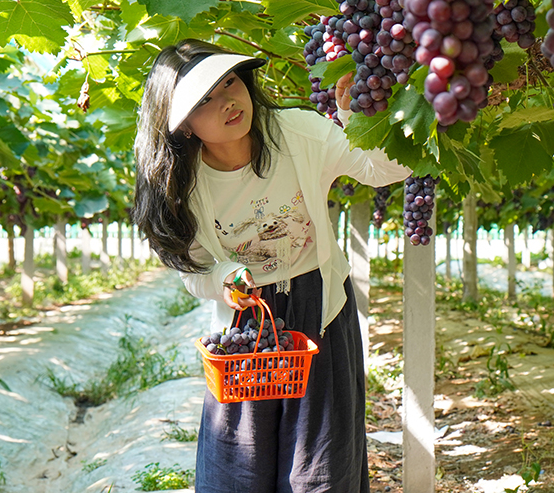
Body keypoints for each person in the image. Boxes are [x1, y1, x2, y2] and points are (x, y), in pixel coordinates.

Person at [132, 39, 412, 493]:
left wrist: (356, 115)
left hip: (319, 314)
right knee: (238, 473)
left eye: (228, 82)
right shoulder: (183, 184)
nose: (227, 101)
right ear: (182, 126)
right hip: (246, 332)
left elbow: (385, 171)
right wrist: (224, 281)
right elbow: (194, 274)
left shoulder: (299, 134)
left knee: (321, 468)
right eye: (204, 100)